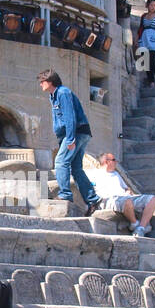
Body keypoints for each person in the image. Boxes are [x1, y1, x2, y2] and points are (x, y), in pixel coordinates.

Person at [39, 70, 101, 213]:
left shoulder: (63, 93)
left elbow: (69, 117)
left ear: (50, 81)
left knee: (61, 162)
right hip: (78, 133)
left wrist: (71, 138)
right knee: (76, 168)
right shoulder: (53, 96)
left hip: (76, 133)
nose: (40, 84)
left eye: (42, 81)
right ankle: (92, 200)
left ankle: (65, 194)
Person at [87, 151, 155, 237]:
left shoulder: (116, 174)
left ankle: (141, 228)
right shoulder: (93, 173)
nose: (116, 162)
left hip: (125, 197)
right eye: (114, 160)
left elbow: (126, 187)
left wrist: (128, 191)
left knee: (152, 199)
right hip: (109, 199)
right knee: (127, 202)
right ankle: (134, 223)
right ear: (107, 161)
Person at [133, 0, 155, 87]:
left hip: (154, 39)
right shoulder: (143, 16)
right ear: (147, 5)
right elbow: (140, 28)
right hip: (144, 38)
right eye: (151, 5)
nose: (153, 7)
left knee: (153, 59)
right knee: (146, 60)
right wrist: (136, 39)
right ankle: (151, 81)